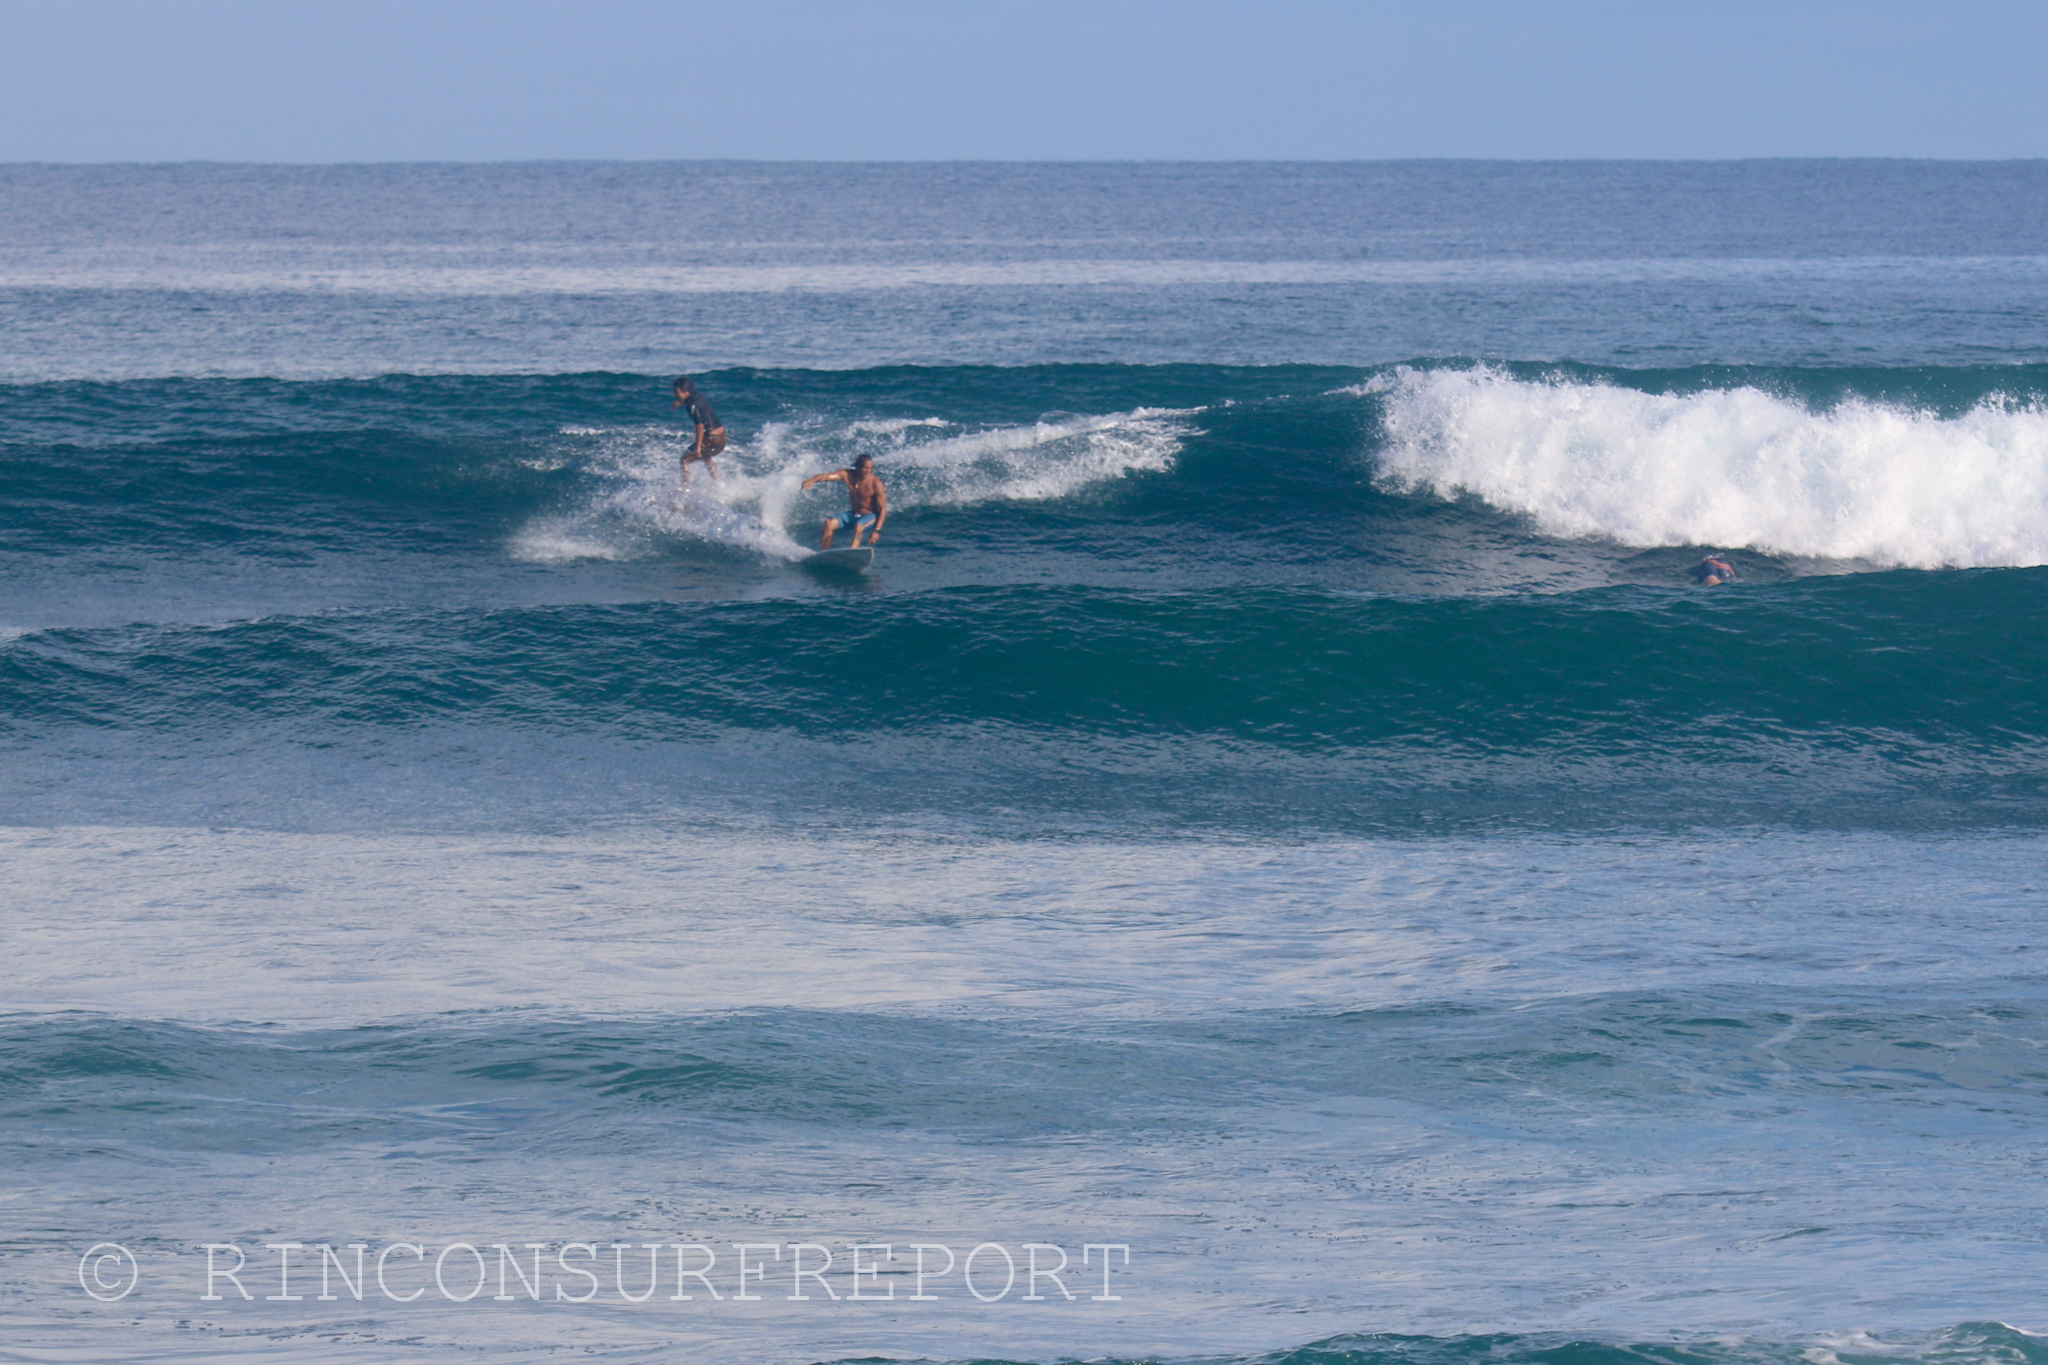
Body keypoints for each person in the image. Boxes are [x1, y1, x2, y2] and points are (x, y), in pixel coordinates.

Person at [801, 454, 888, 549]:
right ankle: (824, 552)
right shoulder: (847, 475)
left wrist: (877, 531)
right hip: (853, 514)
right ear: (858, 467)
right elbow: (826, 476)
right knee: (829, 523)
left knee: (859, 526)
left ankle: (852, 551)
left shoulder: (876, 483)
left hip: (870, 515)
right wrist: (812, 480)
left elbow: (883, 509)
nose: (868, 471)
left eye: (870, 468)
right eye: (865, 468)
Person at [671, 376, 727, 484]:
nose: (675, 395)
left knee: (684, 460)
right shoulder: (698, 396)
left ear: (685, 391)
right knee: (705, 456)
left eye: (677, 392)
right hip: (722, 437)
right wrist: (680, 402)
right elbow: (694, 403)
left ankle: (685, 487)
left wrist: (698, 447)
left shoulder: (692, 405)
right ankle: (717, 483)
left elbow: (699, 426)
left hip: (712, 438)